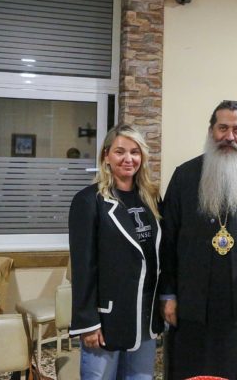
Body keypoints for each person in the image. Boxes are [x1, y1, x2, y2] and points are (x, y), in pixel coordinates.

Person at [160, 101, 237, 380]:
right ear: (211, 131)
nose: (230, 136)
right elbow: (167, 240)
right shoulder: (185, 176)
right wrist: (168, 294)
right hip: (192, 303)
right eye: (223, 128)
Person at [69, 124, 163, 380]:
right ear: (106, 156)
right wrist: (88, 323)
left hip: (144, 314)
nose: (128, 159)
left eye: (135, 152)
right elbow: (83, 267)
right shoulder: (88, 201)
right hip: (106, 318)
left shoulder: (151, 199)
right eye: (120, 151)